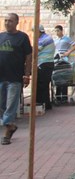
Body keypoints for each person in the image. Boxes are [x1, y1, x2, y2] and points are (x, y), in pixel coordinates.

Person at [0, 13, 32, 145]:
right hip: (1, 77)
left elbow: (29, 57)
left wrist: (27, 75)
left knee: (11, 104)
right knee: (2, 105)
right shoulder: (1, 36)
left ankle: (7, 131)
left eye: (10, 21)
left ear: (17, 22)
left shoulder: (22, 37)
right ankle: (10, 125)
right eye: (6, 21)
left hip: (15, 77)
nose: (7, 23)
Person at [53, 25, 75, 104]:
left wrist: (68, 52)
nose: (57, 32)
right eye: (55, 31)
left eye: (58, 31)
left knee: (64, 77)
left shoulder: (66, 39)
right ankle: (58, 97)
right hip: (57, 60)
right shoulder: (55, 40)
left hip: (64, 60)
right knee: (57, 77)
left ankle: (64, 97)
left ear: (61, 31)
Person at [36, 25, 55, 110]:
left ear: (39, 31)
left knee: (42, 84)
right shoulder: (45, 38)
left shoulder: (44, 39)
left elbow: (36, 50)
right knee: (43, 84)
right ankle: (45, 103)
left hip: (44, 63)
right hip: (46, 63)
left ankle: (43, 104)